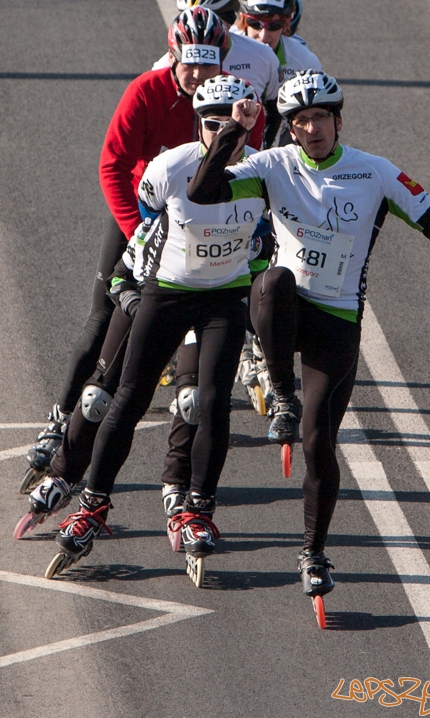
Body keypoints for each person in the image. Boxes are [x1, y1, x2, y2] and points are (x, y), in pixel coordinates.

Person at [186, 69, 430, 601]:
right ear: (289, 128)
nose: (311, 129)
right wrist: (233, 132)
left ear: (338, 120)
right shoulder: (274, 164)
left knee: (320, 443)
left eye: (320, 117)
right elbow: (202, 193)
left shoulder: (375, 173)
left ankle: (313, 553)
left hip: (336, 321)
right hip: (280, 311)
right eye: (300, 120)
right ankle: (280, 393)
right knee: (272, 279)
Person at [22, 7, 258, 490]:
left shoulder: (231, 101)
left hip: (199, 232)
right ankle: (61, 420)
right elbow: (113, 165)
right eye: (188, 63)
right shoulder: (145, 91)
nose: (197, 75)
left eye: (207, 64)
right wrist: (140, 232)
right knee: (103, 318)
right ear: (172, 54)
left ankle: (181, 475)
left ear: (224, 60)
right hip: (142, 215)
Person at [39, 77, 266, 568]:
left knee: (207, 403)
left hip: (223, 298)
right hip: (170, 291)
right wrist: (129, 292)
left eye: (233, 124)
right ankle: (92, 503)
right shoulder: (169, 168)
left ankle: (198, 508)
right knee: (127, 397)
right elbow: (146, 234)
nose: (222, 133)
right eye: (212, 124)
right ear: (196, 125)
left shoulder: (262, 170)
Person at [152, 0, 282, 147]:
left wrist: (263, 152)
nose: (202, 24)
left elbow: (275, 109)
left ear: (231, 18)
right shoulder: (161, 68)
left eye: (213, 17)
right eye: (191, 17)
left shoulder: (262, 56)